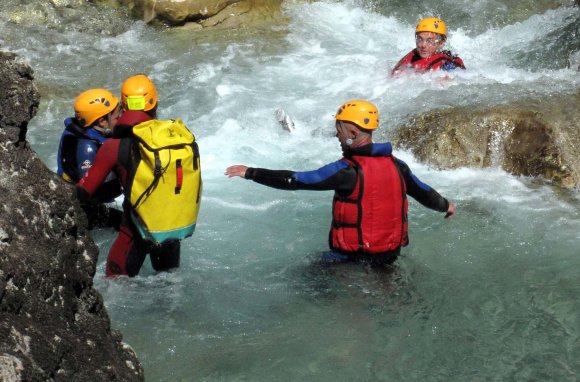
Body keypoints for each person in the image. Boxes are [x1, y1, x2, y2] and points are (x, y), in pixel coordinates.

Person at [225, 100, 455, 266]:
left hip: (351, 259)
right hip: (389, 257)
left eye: (339, 130)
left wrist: (251, 172)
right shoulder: (398, 166)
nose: (337, 136)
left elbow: (296, 180)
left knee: (301, 272)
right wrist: (446, 205)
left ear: (352, 132)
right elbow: (425, 193)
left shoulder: (347, 171)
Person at [76, 74, 201, 277]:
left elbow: (85, 192)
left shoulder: (114, 146)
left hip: (133, 233)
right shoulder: (177, 139)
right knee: (168, 285)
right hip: (171, 231)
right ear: (155, 104)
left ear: (123, 106)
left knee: (115, 286)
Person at [57, 88, 123, 230]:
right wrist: (124, 184)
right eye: (117, 117)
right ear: (102, 122)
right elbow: (88, 193)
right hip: (83, 209)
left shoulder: (88, 133)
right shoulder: (87, 147)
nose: (121, 119)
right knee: (128, 226)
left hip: (83, 201)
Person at [391, 17, 465, 76]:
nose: (423, 45)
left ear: (441, 43)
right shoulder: (413, 55)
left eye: (430, 41)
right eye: (420, 39)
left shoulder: (447, 65)